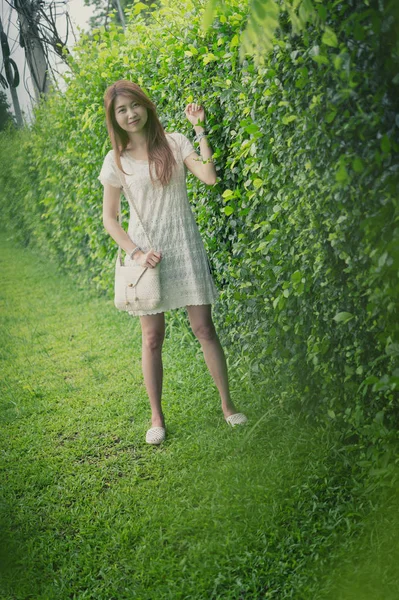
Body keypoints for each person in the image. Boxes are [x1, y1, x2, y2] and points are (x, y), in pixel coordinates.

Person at [98, 80, 247, 445]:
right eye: (121, 110)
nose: (130, 114)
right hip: (147, 257)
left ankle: (228, 407)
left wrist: (199, 129)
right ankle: (156, 418)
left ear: (145, 106)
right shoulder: (115, 160)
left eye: (134, 105)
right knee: (152, 338)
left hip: (184, 246)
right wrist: (134, 252)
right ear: (114, 118)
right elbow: (110, 218)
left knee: (205, 330)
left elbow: (210, 177)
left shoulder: (175, 142)